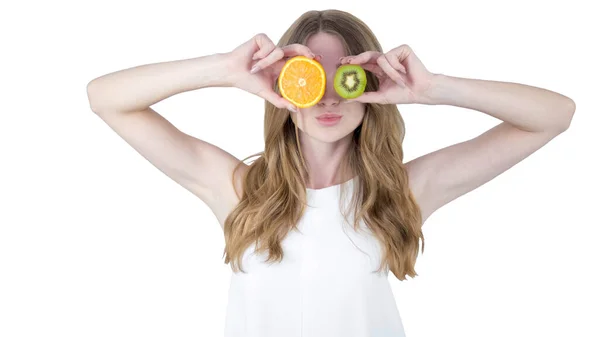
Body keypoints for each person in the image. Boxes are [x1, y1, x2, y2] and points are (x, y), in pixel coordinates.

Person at [86, 9, 576, 337]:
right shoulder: (237, 191)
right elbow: (107, 100)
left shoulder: (401, 192)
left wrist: (431, 88)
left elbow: (554, 115)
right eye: (308, 75)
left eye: (345, 74)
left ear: (370, 82)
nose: (327, 96)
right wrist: (225, 69)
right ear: (282, 86)